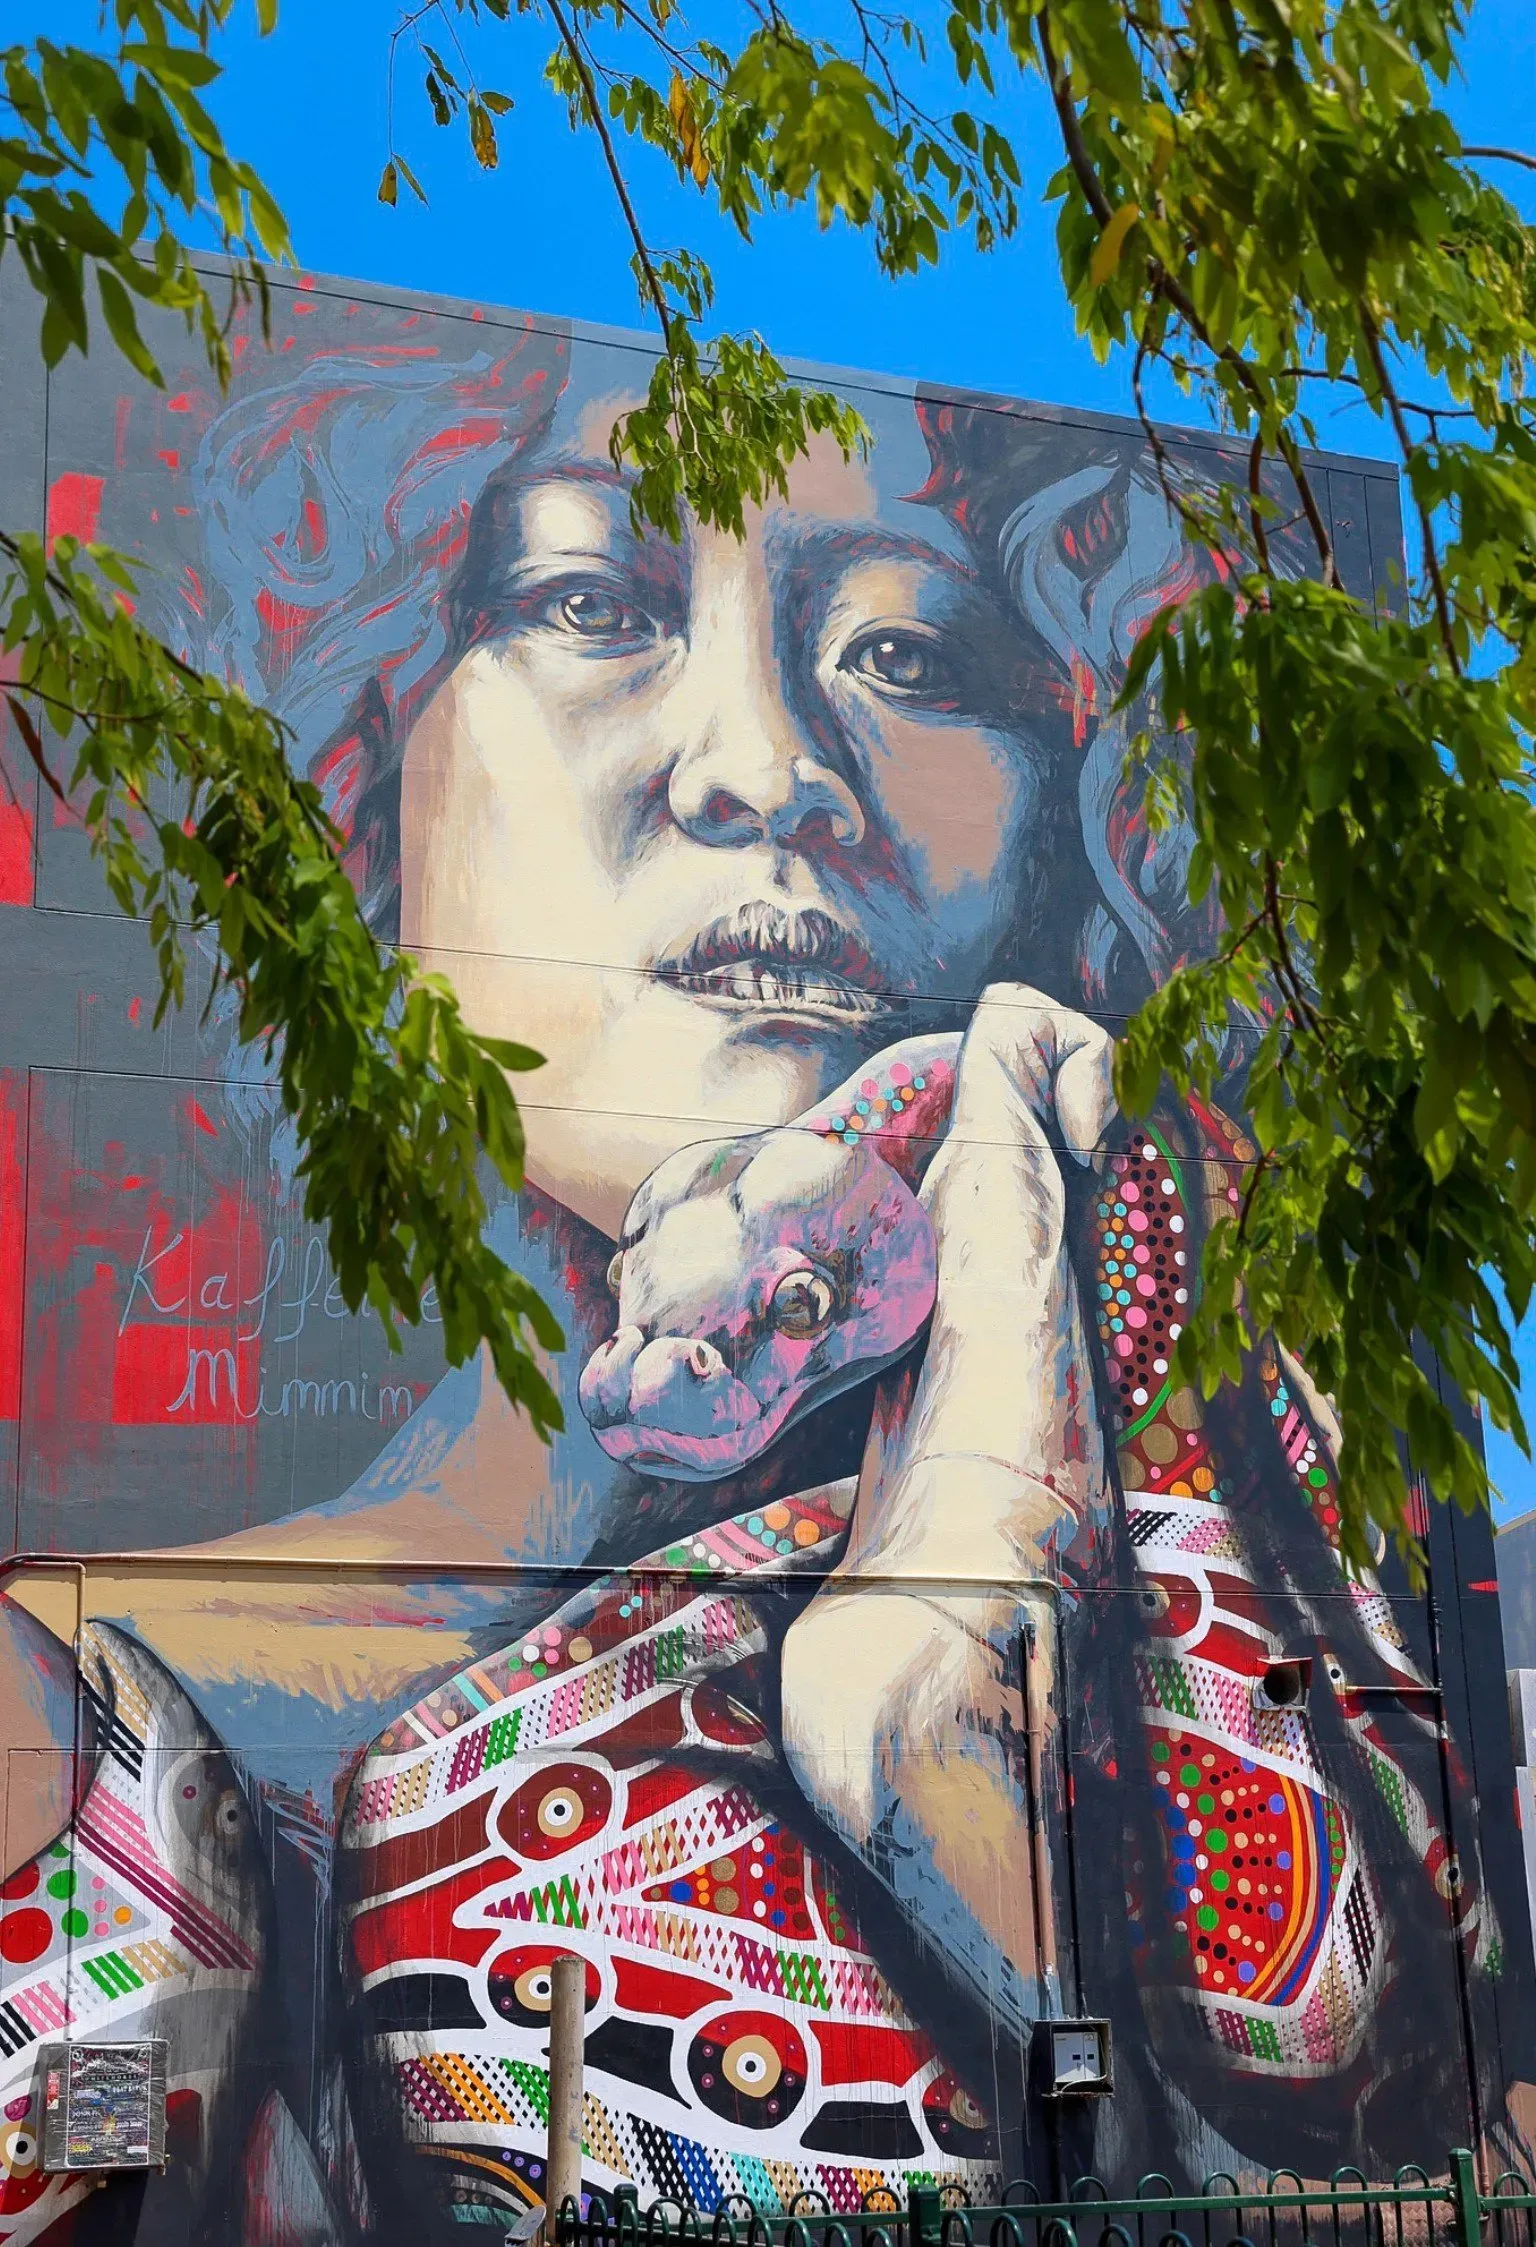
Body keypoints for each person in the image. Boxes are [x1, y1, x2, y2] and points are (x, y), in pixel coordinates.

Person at [0, 310, 1519, 2243]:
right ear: (370, 781)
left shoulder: (1238, 1478)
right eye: (588, 601)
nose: (769, 766)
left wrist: (941, 1707)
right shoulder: (78, 1706)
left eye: (907, 652)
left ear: (1073, 825)